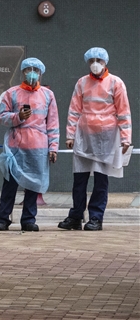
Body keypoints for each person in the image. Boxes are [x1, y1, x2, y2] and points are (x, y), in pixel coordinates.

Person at [58, 47, 132, 231]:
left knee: (100, 180)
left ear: (105, 62)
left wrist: (126, 138)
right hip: (84, 136)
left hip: (106, 138)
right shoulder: (82, 83)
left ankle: (96, 218)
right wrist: (70, 135)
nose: (95, 64)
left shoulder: (115, 83)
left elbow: (123, 112)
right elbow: (74, 110)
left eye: (99, 60)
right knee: (79, 179)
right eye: (91, 61)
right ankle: (76, 216)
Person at [0, 58, 59, 232]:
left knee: (33, 185)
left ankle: (29, 219)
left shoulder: (48, 95)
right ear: (22, 72)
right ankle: (3, 219)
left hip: (38, 148)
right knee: (10, 185)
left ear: (41, 73)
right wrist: (18, 117)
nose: (32, 73)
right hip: (15, 147)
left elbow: (53, 123)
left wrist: (53, 147)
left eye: (36, 70)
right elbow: (1, 117)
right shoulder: (11, 93)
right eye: (28, 69)